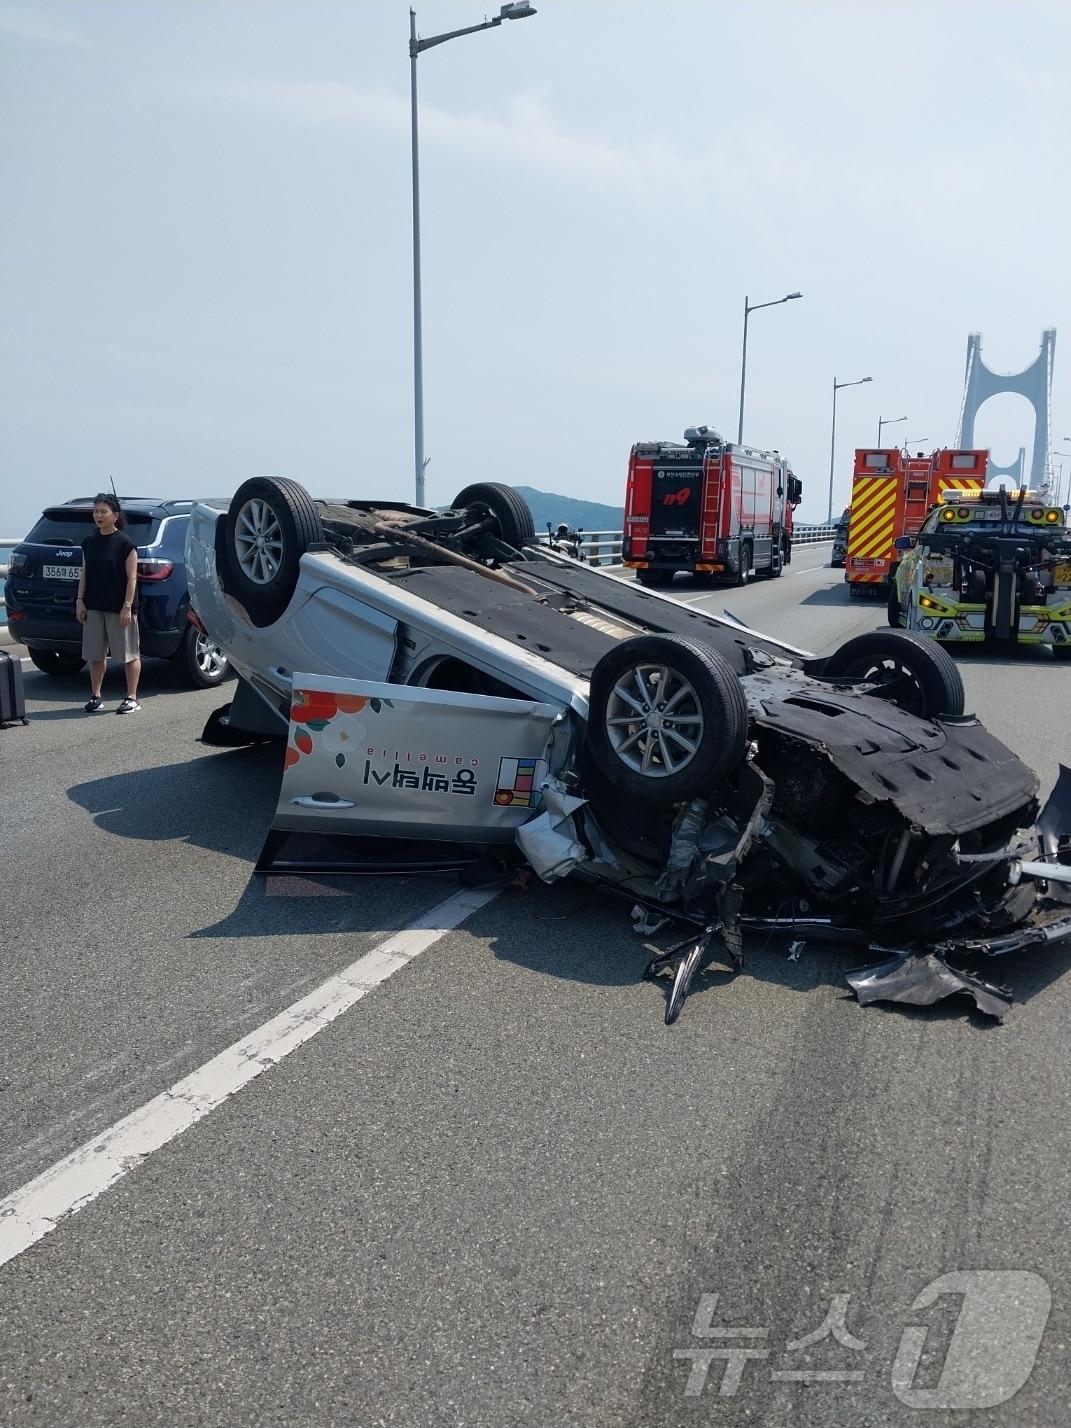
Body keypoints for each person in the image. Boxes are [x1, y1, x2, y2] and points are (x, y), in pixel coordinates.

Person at [75, 493, 142, 713]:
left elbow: (132, 578)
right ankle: (96, 695)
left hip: (120, 607)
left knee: (129, 653)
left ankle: (132, 697)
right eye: (95, 511)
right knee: (96, 654)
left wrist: (127, 606)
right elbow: (84, 573)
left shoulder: (125, 543)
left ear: (115, 515)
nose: (98, 515)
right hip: (94, 606)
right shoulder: (89, 542)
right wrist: (80, 601)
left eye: (103, 511)